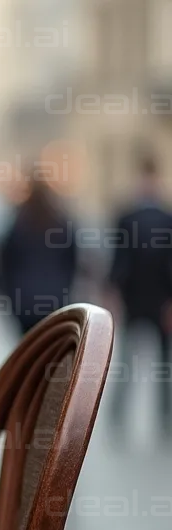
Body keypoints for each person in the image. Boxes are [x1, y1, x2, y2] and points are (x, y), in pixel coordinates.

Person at [110, 156, 172, 440]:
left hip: (153, 301)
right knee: (134, 362)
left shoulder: (136, 217)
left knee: (159, 365)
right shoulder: (137, 217)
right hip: (146, 300)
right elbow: (119, 261)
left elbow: (119, 263)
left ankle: (160, 416)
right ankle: (122, 415)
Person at [0, 175, 78, 334]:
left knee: (30, 348)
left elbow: (5, 264)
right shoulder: (61, 224)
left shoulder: (18, 224)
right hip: (55, 296)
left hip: (24, 299)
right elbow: (72, 261)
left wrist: (9, 293)